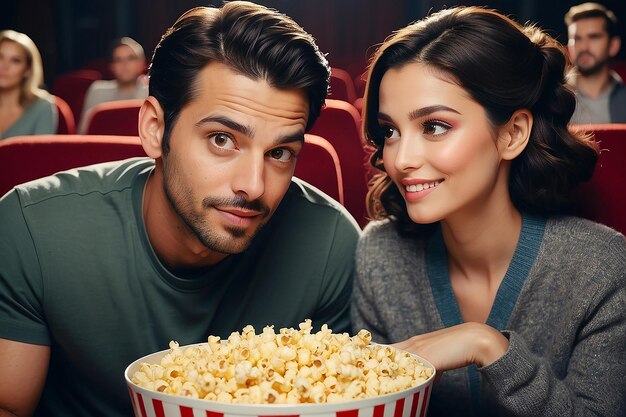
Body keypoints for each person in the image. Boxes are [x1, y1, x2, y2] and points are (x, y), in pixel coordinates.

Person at [0, 2, 360, 416]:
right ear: (155, 129)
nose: (254, 185)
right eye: (222, 139)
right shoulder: (30, 228)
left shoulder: (332, 246)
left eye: (280, 152)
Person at [352, 6, 625, 417]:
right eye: (390, 131)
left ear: (513, 134)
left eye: (435, 126)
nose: (400, 159)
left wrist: (489, 347)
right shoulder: (380, 256)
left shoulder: (600, 268)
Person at [565, 2, 626, 123]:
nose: (583, 47)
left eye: (594, 37)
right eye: (577, 38)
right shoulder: (554, 99)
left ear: (613, 45)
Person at [77, 36, 149, 133]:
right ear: (111, 66)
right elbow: (84, 133)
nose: (124, 64)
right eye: (118, 60)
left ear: (142, 63)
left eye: (130, 58)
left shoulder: (151, 92)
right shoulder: (97, 91)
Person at [0, 29, 57, 139]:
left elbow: (41, 154)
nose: (4, 66)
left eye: (15, 60)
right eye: (0, 57)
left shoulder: (42, 107)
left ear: (27, 70)